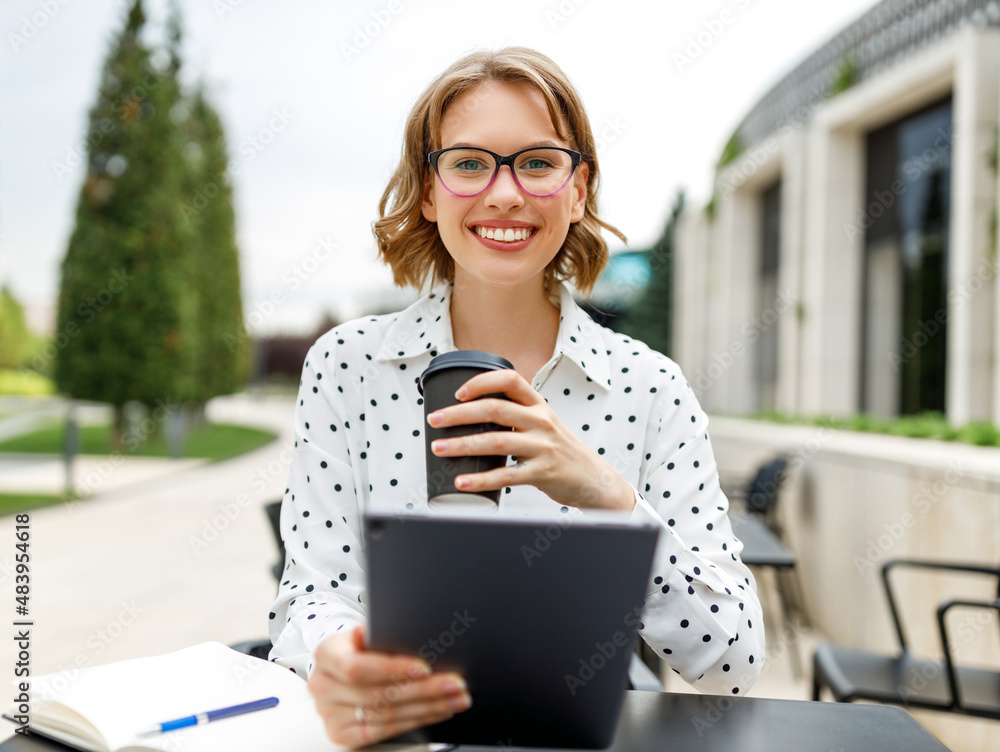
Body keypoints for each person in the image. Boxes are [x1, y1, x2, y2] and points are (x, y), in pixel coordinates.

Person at [268, 47, 764, 747]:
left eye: (536, 162)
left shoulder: (652, 388)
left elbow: (735, 663)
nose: (504, 193)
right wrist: (339, 656)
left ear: (578, 187)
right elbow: (311, 596)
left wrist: (609, 495)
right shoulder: (348, 367)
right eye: (469, 163)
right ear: (430, 189)